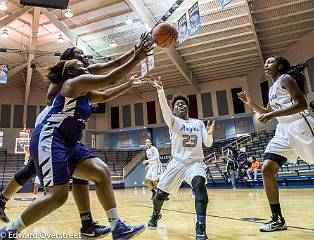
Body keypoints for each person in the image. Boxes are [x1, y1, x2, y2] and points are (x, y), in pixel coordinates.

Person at [0, 37, 153, 239]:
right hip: (50, 138)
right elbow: (110, 78)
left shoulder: (83, 92)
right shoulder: (73, 83)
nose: (85, 62)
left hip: (68, 142)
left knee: (101, 171)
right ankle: (9, 231)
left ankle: (117, 227)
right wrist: (136, 58)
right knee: (58, 196)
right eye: (80, 61)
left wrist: (130, 82)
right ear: (70, 69)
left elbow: (106, 94)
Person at [238, 56, 314, 232]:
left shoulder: (286, 79)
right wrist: (250, 103)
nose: (266, 65)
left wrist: (273, 115)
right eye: (265, 63)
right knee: (267, 169)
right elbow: (266, 112)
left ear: (279, 66)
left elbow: (302, 104)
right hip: (283, 130)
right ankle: (277, 219)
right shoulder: (272, 88)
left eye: (270, 62)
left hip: (302, 126)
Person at [146, 76, 214, 240]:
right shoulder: (173, 121)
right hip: (177, 163)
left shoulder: (198, 123)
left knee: (199, 185)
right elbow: (164, 109)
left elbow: (208, 143)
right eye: (177, 104)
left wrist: (210, 134)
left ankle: (200, 226)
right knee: (159, 196)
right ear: (174, 110)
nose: (181, 105)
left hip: (195, 163)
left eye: (183, 103)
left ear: (187, 108)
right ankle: (156, 214)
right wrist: (160, 90)